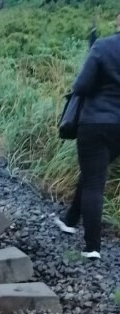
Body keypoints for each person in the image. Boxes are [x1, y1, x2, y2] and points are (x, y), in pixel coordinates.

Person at [54, 12, 120, 260]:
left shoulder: (103, 46)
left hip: (95, 122)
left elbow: (81, 86)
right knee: (93, 172)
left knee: (94, 182)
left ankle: (92, 247)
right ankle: (70, 220)